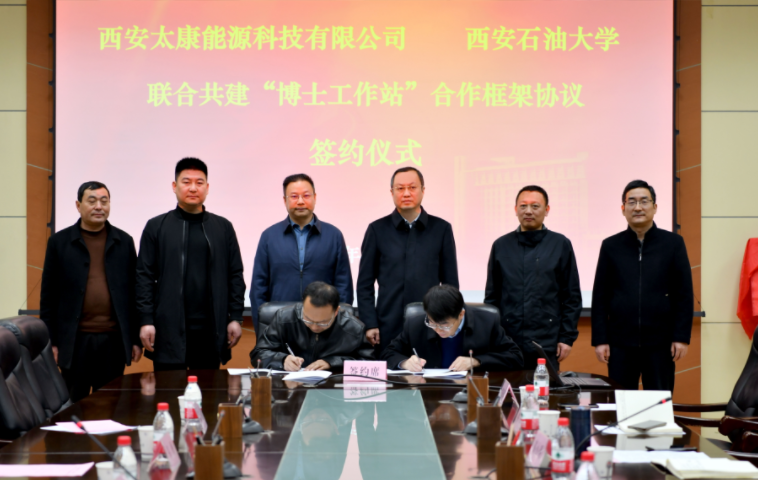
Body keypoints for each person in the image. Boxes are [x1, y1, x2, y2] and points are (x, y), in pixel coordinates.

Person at [136, 158, 246, 371]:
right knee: (168, 389)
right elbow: (144, 277)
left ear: (207, 187)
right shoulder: (157, 226)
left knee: (209, 389)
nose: (193, 188)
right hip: (168, 328)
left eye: (199, 182)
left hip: (211, 329)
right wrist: (146, 320)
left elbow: (235, 275)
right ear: (174, 186)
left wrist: (236, 317)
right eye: (186, 182)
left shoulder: (223, 227)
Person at [40, 181, 140, 401]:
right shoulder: (59, 242)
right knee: (73, 407)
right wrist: (51, 343)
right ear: (78, 205)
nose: (99, 207)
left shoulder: (124, 241)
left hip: (113, 341)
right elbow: (48, 298)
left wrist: (135, 339)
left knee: (110, 405)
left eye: (104, 201)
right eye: (92, 201)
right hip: (74, 342)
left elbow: (135, 294)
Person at [591, 180, 693, 391]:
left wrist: (681, 337)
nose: (638, 207)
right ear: (623, 209)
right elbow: (600, 297)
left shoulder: (673, 243)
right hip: (620, 344)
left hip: (661, 344)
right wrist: (600, 340)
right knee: (621, 402)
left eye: (644, 201)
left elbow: (683, 294)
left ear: (655, 207)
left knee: (658, 403)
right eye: (632, 202)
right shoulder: (610, 246)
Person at [357, 167, 459, 354]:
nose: (406, 193)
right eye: (400, 188)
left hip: (432, 324)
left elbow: (450, 283)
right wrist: (370, 323)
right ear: (392, 192)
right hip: (387, 324)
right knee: (390, 368)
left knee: (429, 370)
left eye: (412, 187)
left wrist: (448, 322)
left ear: (423, 190)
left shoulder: (441, 229)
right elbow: (364, 284)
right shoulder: (377, 230)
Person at [484, 185, 582, 370]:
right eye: (523, 206)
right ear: (516, 209)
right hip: (508, 342)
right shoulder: (501, 246)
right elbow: (492, 299)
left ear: (547, 210)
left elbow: (572, 297)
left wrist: (566, 338)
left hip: (546, 340)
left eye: (535, 206)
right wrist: (492, 336)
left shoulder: (560, 244)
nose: (528, 211)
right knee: (507, 388)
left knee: (544, 387)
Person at [250, 174, 353, 337]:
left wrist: (339, 329)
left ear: (315, 198)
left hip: (323, 327)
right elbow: (258, 288)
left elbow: (344, 286)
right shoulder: (269, 236)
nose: (300, 201)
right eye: (294, 196)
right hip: (280, 326)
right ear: (284, 200)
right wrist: (263, 330)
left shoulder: (333, 235)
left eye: (306, 195)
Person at [383, 285, 523, 371]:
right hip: (428, 391)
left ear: (461, 314)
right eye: (432, 323)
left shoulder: (487, 322)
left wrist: (476, 361)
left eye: (445, 325)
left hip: (472, 392)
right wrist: (405, 363)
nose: (437, 330)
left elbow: (515, 356)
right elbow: (388, 353)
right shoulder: (415, 324)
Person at [250, 281, 373, 371]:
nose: (314, 327)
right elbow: (258, 354)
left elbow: (369, 364)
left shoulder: (354, 328)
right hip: (289, 390)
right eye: (308, 320)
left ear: (336, 312)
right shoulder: (284, 318)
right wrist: (282, 360)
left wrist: (332, 363)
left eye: (322, 322)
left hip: (332, 391)